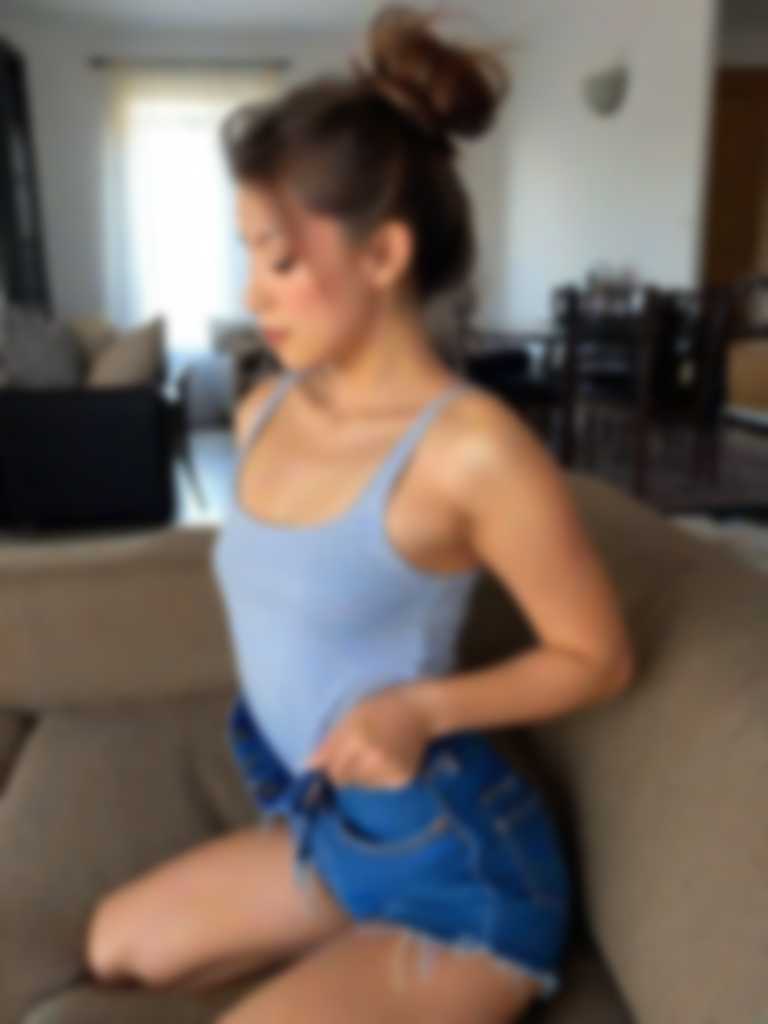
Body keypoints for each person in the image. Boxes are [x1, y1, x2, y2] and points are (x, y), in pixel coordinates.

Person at [85, 5, 635, 1022]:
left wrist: (422, 709)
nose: (253, 294)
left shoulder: (472, 449)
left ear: (383, 255)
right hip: (330, 823)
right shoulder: (262, 410)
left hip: (460, 868)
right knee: (113, 945)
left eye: (280, 260)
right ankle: (351, 932)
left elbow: (597, 658)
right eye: (247, 255)